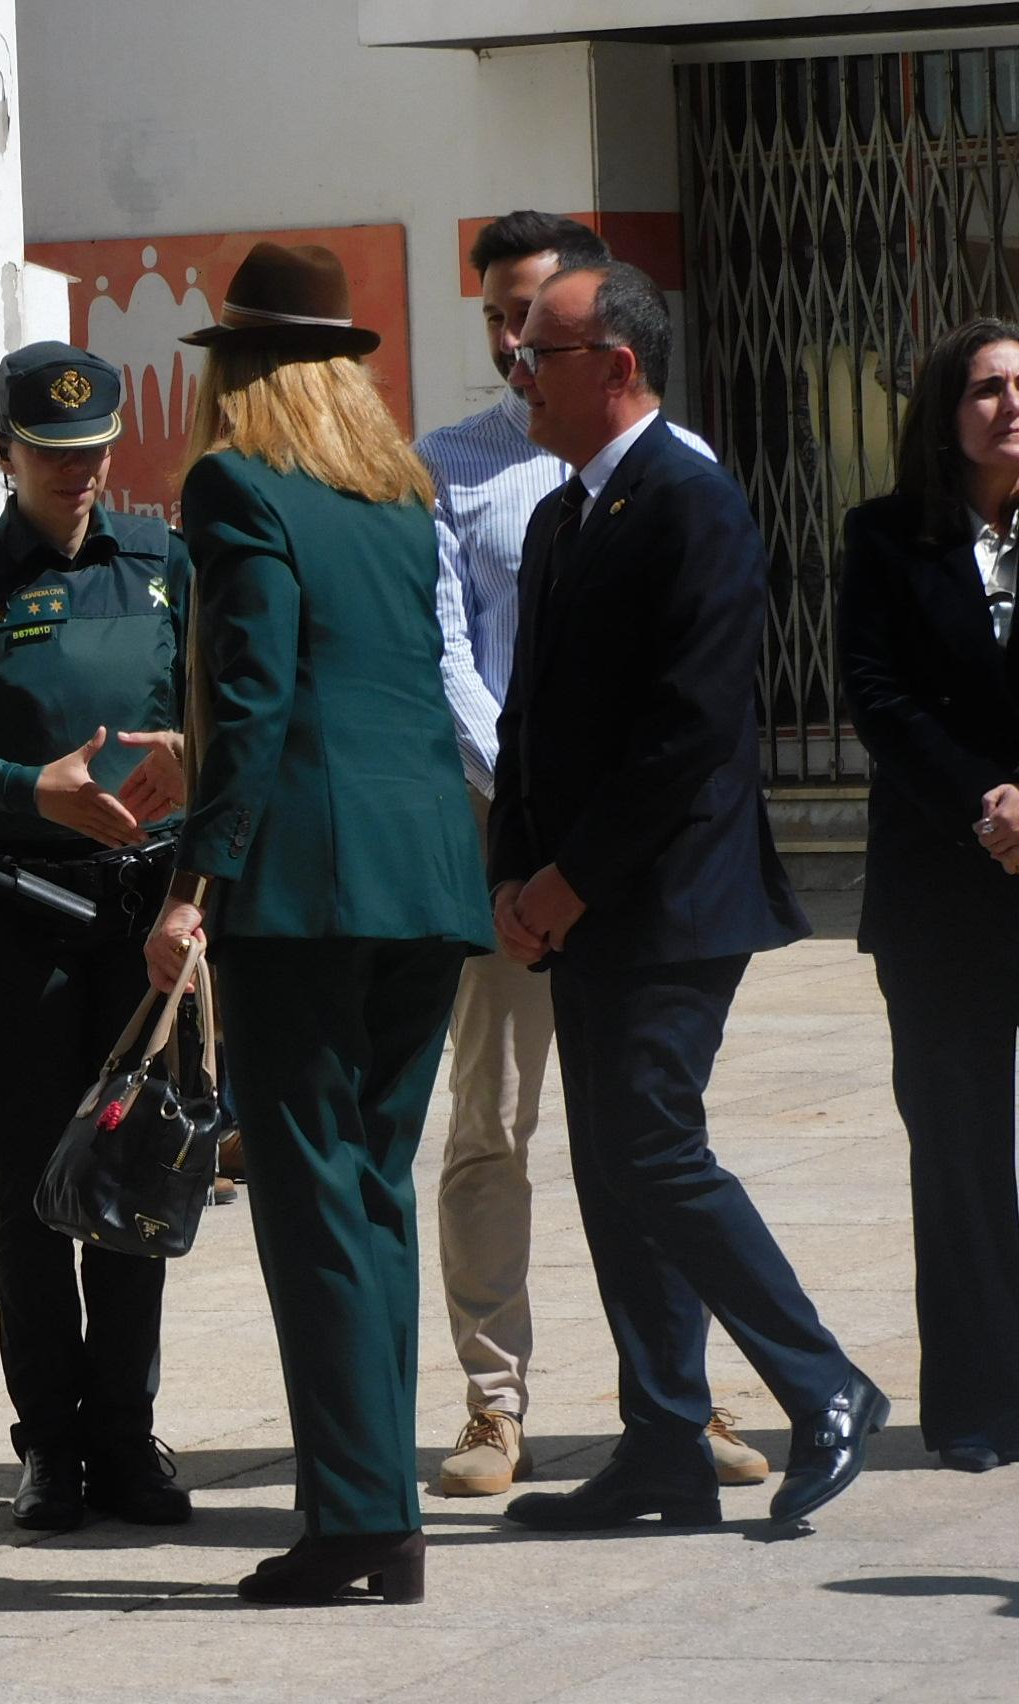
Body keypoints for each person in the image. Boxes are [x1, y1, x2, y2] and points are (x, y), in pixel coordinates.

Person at [490, 261, 885, 1531]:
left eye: (535, 354)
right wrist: (514, 873)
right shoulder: (562, 518)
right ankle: (662, 1438)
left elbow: (688, 729)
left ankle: (821, 1385)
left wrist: (568, 878)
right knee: (610, 1166)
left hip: (669, 900)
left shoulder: (690, 503)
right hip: (576, 901)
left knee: (655, 1145)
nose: (514, 374)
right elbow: (530, 720)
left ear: (615, 366)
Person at [146, 243, 494, 1605]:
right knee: (371, 1188)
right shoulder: (399, 498)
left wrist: (195, 879)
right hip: (423, 875)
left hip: (308, 884)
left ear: (238, 371)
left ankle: (358, 1522)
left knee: (309, 1193)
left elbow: (253, 695)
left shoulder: (237, 485)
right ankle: (375, 1511)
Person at [416, 213, 767, 1498]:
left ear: (598, 340)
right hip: (504, 836)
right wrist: (523, 833)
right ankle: (491, 1406)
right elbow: (448, 651)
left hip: (623, 855)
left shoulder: (666, 468)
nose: (514, 349)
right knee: (493, 1128)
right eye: (499, 321)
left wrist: (586, 844)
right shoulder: (448, 465)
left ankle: (682, 1400)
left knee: (647, 1132)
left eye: (535, 324)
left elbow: (684, 696)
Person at [0, 340, 194, 1532]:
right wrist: (30, 789)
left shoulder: (162, 561)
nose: (78, 475)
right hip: (16, 913)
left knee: (133, 1172)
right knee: (31, 1183)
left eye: (95, 453)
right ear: (3, 454)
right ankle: (49, 1447)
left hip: (143, 912)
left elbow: (217, 712)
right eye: (52, 456)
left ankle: (126, 1435)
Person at [839, 315, 1019, 1472]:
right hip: (940, 889)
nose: (1010, 405)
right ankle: (973, 1402)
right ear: (945, 415)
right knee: (954, 1154)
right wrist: (990, 804)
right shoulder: (885, 536)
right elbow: (874, 694)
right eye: (987, 388)